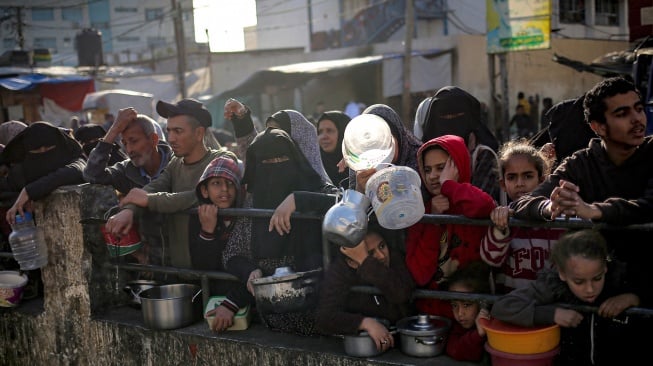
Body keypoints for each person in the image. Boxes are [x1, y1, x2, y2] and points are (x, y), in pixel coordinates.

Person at [510, 77, 653, 308]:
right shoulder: (580, 164)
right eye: (622, 113)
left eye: (639, 109)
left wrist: (594, 210)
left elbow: (648, 206)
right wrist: (550, 206)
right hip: (594, 291)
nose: (637, 119)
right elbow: (522, 203)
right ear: (598, 127)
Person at [223, 126, 335, 336]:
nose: (274, 167)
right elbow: (232, 253)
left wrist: (299, 199)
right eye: (266, 162)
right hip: (271, 321)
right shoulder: (252, 205)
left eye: (281, 159)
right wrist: (249, 271)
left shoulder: (315, 190)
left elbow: (343, 204)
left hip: (322, 321)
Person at [104, 98, 237, 270]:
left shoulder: (221, 160)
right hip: (183, 270)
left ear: (199, 133)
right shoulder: (175, 163)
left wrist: (149, 200)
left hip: (217, 268)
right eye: (169, 131)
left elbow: (198, 196)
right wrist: (129, 210)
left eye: (178, 131)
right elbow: (155, 186)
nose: (171, 138)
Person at [491, 229, 643, 365]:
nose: (590, 289)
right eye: (579, 282)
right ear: (562, 273)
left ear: (605, 268)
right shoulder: (553, 287)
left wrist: (634, 298)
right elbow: (502, 306)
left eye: (597, 279)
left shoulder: (620, 282)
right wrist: (551, 314)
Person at [405, 135, 496, 318]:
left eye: (441, 168)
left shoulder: (469, 199)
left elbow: (485, 206)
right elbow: (420, 274)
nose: (432, 176)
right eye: (427, 170)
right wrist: (434, 221)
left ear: (458, 165)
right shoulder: (421, 211)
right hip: (432, 314)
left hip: (470, 316)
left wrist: (449, 186)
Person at [83, 107, 172, 266]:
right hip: (147, 261)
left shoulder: (177, 164)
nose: (129, 150)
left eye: (134, 141)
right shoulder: (126, 170)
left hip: (182, 256)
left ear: (153, 139)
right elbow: (92, 175)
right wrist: (113, 130)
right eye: (124, 143)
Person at [480, 139, 564, 293]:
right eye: (512, 177)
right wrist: (499, 227)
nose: (520, 183)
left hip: (552, 307)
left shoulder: (555, 214)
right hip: (513, 306)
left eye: (527, 176)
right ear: (503, 184)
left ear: (541, 180)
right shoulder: (504, 216)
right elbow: (490, 259)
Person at [315, 224, 415, 351]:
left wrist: (365, 260)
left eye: (382, 246)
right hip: (365, 344)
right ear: (351, 261)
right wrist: (364, 323)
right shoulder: (340, 270)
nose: (382, 255)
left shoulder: (394, 257)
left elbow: (401, 294)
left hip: (402, 340)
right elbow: (324, 317)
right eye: (371, 253)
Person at [189, 156, 253, 333]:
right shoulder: (198, 216)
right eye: (216, 183)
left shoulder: (248, 215)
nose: (225, 189)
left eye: (230, 183)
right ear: (204, 190)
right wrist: (207, 230)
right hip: (213, 296)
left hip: (245, 297)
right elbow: (201, 266)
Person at [416, 86, 504, 204]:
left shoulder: (483, 155)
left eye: (457, 117)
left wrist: (450, 187)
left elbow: (482, 204)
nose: (450, 123)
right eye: (444, 118)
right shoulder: (426, 153)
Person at [444, 261, 492, 363]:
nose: (460, 313)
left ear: (481, 303)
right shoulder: (457, 327)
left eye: (467, 305)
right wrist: (477, 335)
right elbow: (455, 350)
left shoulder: (495, 323)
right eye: (454, 305)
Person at [316, 110, 351, 188]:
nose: (323, 137)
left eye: (330, 131)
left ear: (343, 133)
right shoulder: (315, 168)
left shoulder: (358, 167)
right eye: (320, 132)